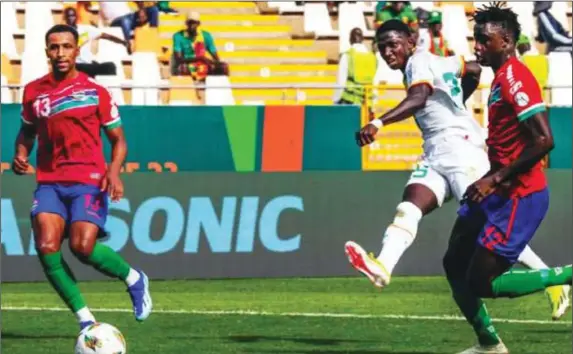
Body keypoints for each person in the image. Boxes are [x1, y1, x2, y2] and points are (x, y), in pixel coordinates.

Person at [344, 19, 569, 324]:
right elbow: (473, 69)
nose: (387, 51)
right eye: (382, 46)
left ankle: (553, 280)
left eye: (393, 44)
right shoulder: (436, 60)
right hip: (436, 153)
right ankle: (383, 266)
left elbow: (419, 97)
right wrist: (458, 101)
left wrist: (378, 122)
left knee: (490, 226)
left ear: (411, 42)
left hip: (462, 151)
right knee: (409, 207)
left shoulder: (419, 62)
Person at [442, 4, 571, 353]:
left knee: (481, 281)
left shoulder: (516, 78)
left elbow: (545, 140)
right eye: (476, 39)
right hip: (497, 187)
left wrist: (494, 179)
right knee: (453, 262)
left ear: (508, 41)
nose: (478, 47)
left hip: (520, 195)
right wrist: (487, 179)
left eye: (485, 40)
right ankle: (489, 344)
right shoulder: (498, 77)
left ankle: (564, 276)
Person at [12, 24, 152, 331]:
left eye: (66, 46)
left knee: (82, 247)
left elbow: (118, 140)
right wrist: (21, 153)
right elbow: (27, 132)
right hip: (49, 181)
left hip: (88, 179)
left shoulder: (95, 93)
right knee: (47, 246)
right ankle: (86, 320)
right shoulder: (34, 92)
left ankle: (133, 277)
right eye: (54, 47)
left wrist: (113, 172)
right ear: (46, 51)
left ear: (77, 50)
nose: (60, 53)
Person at [63, 7, 130, 78]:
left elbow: (105, 35)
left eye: (73, 15)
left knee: (111, 66)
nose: (71, 18)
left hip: (87, 64)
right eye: (68, 16)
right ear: (65, 18)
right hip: (75, 65)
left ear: (76, 17)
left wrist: (123, 42)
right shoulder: (62, 33)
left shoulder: (85, 29)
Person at [333, 28, 377, 108]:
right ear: (362, 39)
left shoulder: (347, 55)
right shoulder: (372, 57)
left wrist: (335, 100)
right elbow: (375, 81)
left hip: (349, 101)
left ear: (350, 39)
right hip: (367, 102)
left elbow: (340, 81)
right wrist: (373, 101)